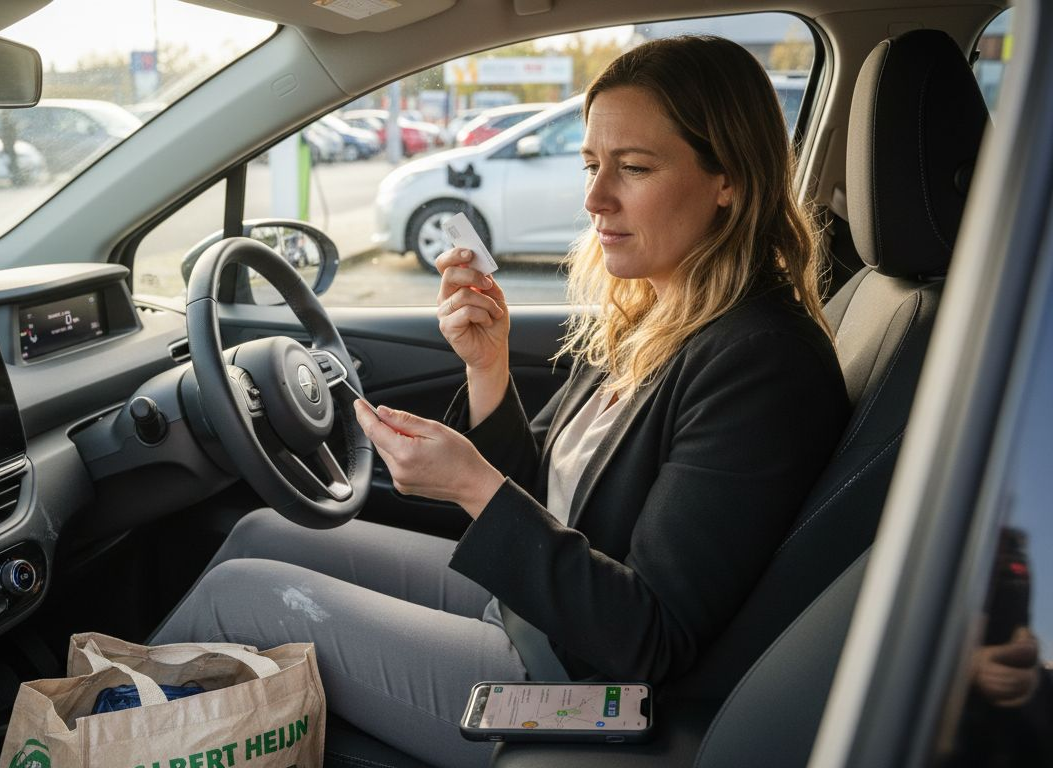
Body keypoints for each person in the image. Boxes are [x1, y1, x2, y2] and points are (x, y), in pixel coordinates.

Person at [151, 35, 849, 768]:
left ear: (729, 180)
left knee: (242, 595)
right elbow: (553, 492)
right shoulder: (661, 309)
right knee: (262, 535)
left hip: (581, 689)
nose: (594, 198)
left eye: (634, 168)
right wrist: (487, 370)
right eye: (590, 165)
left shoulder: (760, 361)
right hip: (539, 611)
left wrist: (473, 485)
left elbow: (648, 638)